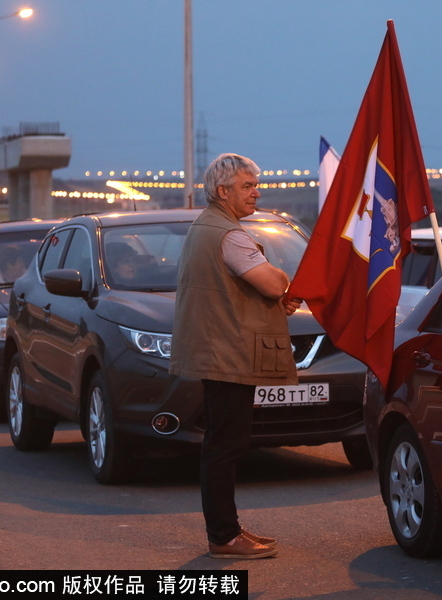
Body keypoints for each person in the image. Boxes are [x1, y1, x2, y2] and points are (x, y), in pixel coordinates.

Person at [169, 153, 301, 560]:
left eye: (256, 185)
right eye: (247, 186)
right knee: (225, 446)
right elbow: (270, 282)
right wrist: (282, 282)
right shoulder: (231, 235)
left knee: (221, 444)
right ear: (223, 191)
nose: (256, 192)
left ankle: (228, 529)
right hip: (227, 353)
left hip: (215, 349)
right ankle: (224, 536)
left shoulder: (203, 226)